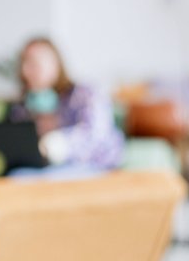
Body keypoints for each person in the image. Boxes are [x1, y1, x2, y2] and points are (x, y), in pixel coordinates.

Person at [10, 37, 124, 170]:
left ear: (55, 64)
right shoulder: (23, 108)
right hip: (43, 170)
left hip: (96, 168)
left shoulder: (86, 95)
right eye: (23, 63)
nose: (25, 70)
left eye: (34, 63)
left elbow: (97, 136)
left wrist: (55, 144)